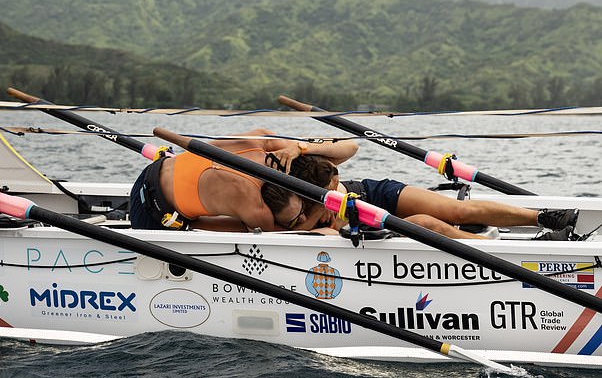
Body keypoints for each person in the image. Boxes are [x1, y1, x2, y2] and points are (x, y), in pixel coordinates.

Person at [262, 155, 579, 240]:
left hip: (377, 193)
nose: (335, 187)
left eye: (336, 183)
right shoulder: (300, 210)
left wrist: (300, 148)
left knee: (455, 211)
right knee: (429, 223)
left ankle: (545, 217)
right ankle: (496, 250)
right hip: (373, 227)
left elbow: (349, 148)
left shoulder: (312, 171)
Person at [129, 130, 358, 232]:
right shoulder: (254, 205)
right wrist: (320, 207)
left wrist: (301, 147)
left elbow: (351, 147)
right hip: (152, 216)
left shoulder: (262, 142)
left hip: (152, 170)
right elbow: (291, 236)